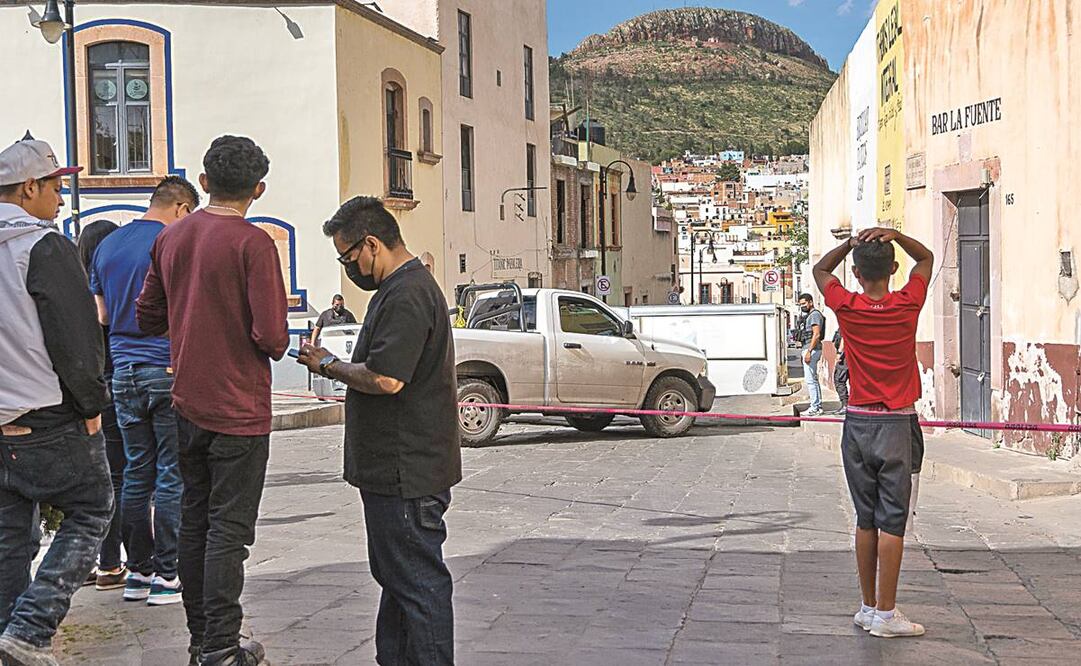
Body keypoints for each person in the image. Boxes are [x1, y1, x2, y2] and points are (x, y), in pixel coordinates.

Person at [137, 136, 287, 666]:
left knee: (195, 520)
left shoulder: (172, 238)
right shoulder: (255, 244)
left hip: (187, 403)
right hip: (239, 408)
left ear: (203, 183)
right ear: (258, 189)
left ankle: (201, 638)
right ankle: (222, 646)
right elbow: (272, 336)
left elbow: (147, 314)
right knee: (229, 531)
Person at [297, 196, 460, 665]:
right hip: (398, 468)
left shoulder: (407, 293)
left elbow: (388, 378)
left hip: (405, 470)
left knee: (417, 584)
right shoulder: (400, 289)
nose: (349, 268)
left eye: (348, 257)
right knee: (399, 581)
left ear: (371, 244)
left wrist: (328, 364)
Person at [0, 135, 113, 665]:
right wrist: (91, 406)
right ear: (28, 188)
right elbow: (76, 339)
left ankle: (8, 637)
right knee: (92, 509)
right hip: (45, 415)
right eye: (54, 185)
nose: (61, 197)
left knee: (9, 538)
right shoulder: (42, 246)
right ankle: (32, 626)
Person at [813, 226, 934, 639]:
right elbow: (927, 259)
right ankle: (886, 613)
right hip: (897, 422)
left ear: (857, 275)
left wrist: (849, 245)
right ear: (893, 270)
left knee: (865, 519)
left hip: (857, 422)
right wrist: (897, 235)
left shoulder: (846, 306)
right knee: (893, 521)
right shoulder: (907, 303)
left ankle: (867, 606)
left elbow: (820, 269)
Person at [91, 176, 199, 607]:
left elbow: (100, 314)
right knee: (172, 473)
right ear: (182, 209)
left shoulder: (107, 245)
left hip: (123, 371)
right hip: (166, 365)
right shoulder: (174, 243)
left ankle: (137, 571)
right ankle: (168, 575)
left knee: (136, 472)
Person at [76, 220, 131, 592]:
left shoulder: (74, 292)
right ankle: (123, 563)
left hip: (84, 396)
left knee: (94, 483)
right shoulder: (116, 289)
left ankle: (96, 563)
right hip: (118, 385)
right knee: (126, 477)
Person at [797, 293, 826, 416]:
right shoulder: (810, 315)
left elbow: (816, 334)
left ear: (810, 302)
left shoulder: (814, 315)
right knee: (813, 379)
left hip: (812, 349)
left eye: (804, 303)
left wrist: (808, 351)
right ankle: (817, 406)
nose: (802, 306)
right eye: (800, 304)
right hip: (810, 348)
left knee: (810, 380)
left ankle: (815, 407)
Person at [832, 329, 849, 415]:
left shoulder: (848, 321)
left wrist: (839, 353)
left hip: (845, 355)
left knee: (839, 379)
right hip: (852, 354)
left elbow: (844, 338)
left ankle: (845, 405)